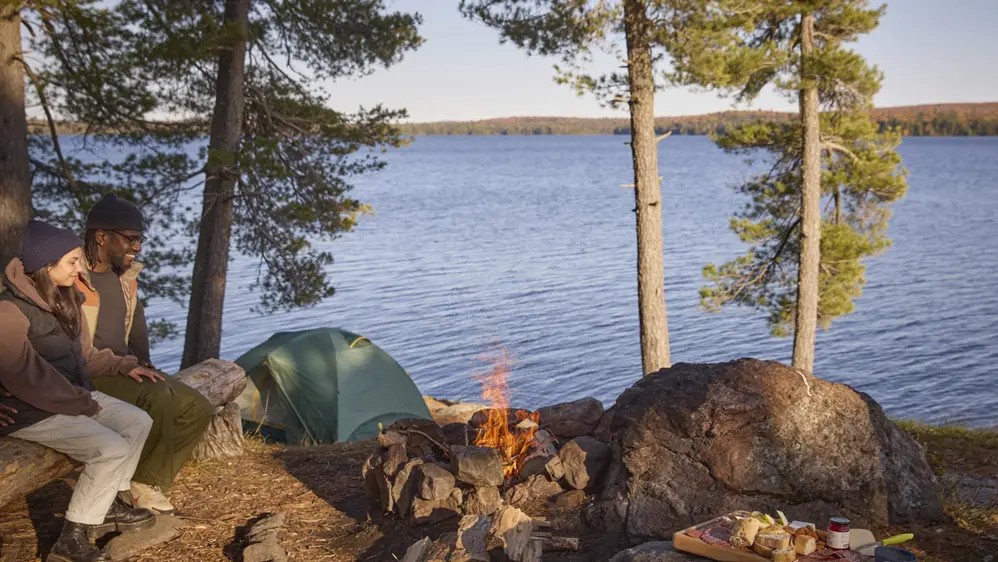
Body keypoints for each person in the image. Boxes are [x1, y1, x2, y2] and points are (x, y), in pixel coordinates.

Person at [0, 220, 160, 562]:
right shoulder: (9, 310)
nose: (79, 267)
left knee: (138, 422)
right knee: (111, 447)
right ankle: (71, 538)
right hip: (31, 409)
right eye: (72, 261)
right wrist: (81, 403)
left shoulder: (67, 297)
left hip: (70, 396)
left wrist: (122, 365)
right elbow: (23, 375)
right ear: (47, 265)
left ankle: (112, 505)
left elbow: (84, 355)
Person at [78, 194, 213, 515]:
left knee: (199, 407)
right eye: (131, 239)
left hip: (125, 365)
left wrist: (142, 357)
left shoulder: (124, 275)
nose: (137, 247)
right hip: (88, 372)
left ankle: (146, 478)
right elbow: (74, 350)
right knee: (159, 396)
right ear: (101, 236)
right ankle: (138, 486)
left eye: (140, 239)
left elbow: (134, 319)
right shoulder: (72, 276)